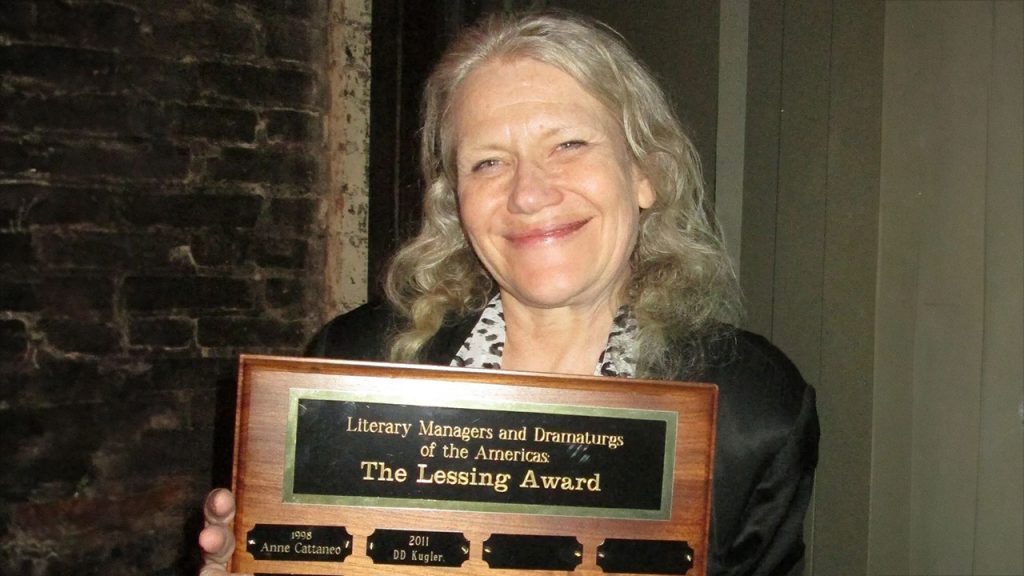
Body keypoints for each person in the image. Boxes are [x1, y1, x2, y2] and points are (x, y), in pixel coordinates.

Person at [199, 11, 819, 576]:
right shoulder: (354, 361)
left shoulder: (753, 408)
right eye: (489, 162)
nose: (528, 194)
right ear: (455, 203)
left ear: (645, 174)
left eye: (569, 145)